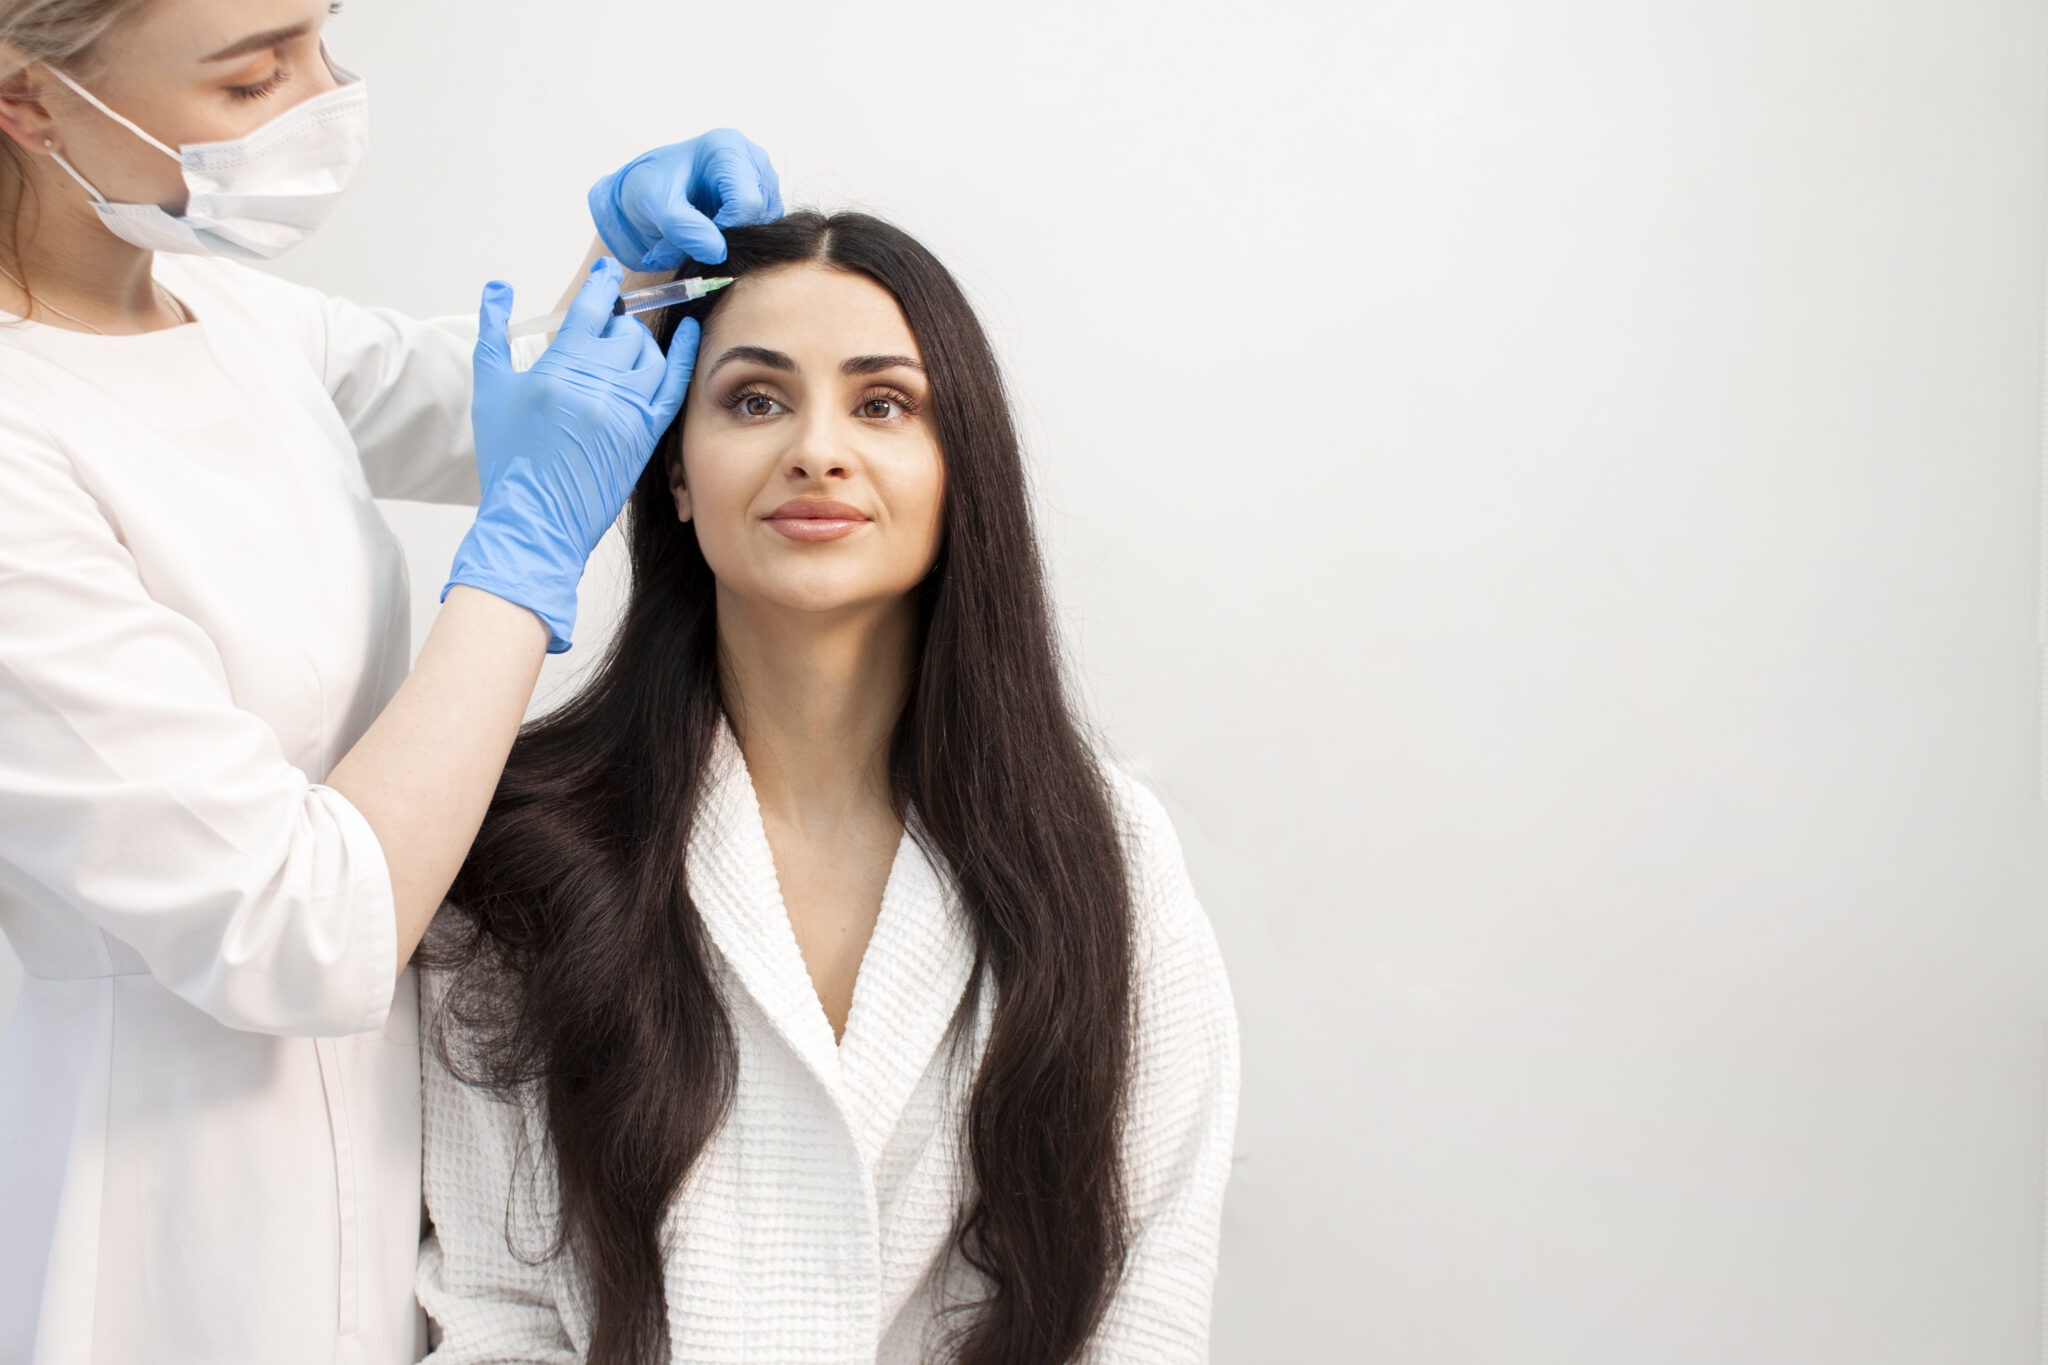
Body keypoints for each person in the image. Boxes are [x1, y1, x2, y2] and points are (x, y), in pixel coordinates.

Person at [0, 1, 779, 1360]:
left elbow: (486, 397)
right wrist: (523, 560)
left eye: (322, 38)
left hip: (387, 1164)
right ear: (28, 104)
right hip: (160, 1222)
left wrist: (643, 281)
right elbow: (296, 925)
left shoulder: (229, 311)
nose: (325, 97)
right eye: (256, 76)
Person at [416, 211, 1241, 1364]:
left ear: (959, 472)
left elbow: (1143, 1291)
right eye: (754, 401)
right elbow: (496, 1309)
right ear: (675, 478)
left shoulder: (1102, 849)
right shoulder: (521, 845)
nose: (816, 449)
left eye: (883, 404)